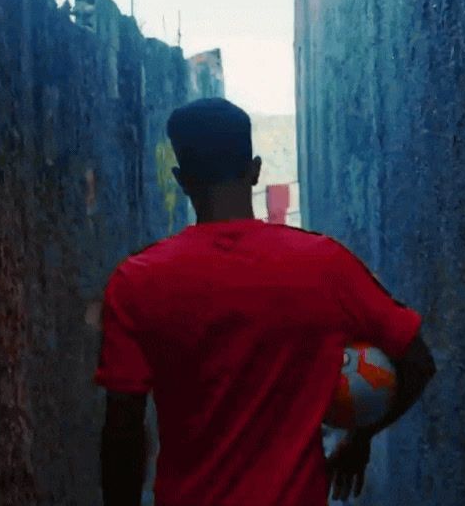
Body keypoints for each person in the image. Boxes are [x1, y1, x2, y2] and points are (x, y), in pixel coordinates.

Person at [95, 98, 436, 506]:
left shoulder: (136, 281)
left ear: (181, 178)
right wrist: (359, 436)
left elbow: (123, 430)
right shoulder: (324, 264)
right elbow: (417, 362)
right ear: (254, 170)